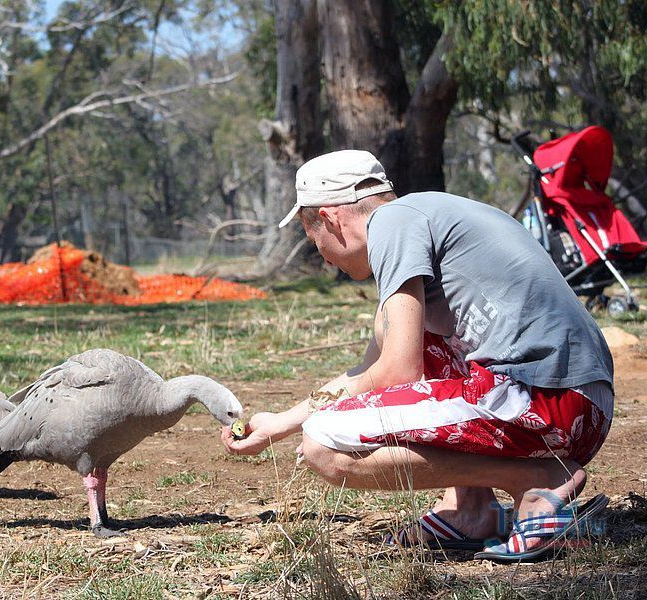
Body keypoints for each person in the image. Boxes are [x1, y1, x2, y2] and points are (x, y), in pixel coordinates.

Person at [221, 149, 614, 562]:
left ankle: (538, 480)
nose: (321, 253)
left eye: (311, 236)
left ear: (330, 218)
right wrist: (279, 424)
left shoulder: (391, 224)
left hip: (547, 402)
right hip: (579, 405)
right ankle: (470, 508)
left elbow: (396, 371)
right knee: (402, 335)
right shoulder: (423, 215)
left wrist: (310, 423)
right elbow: (373, 366)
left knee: (322, 442)